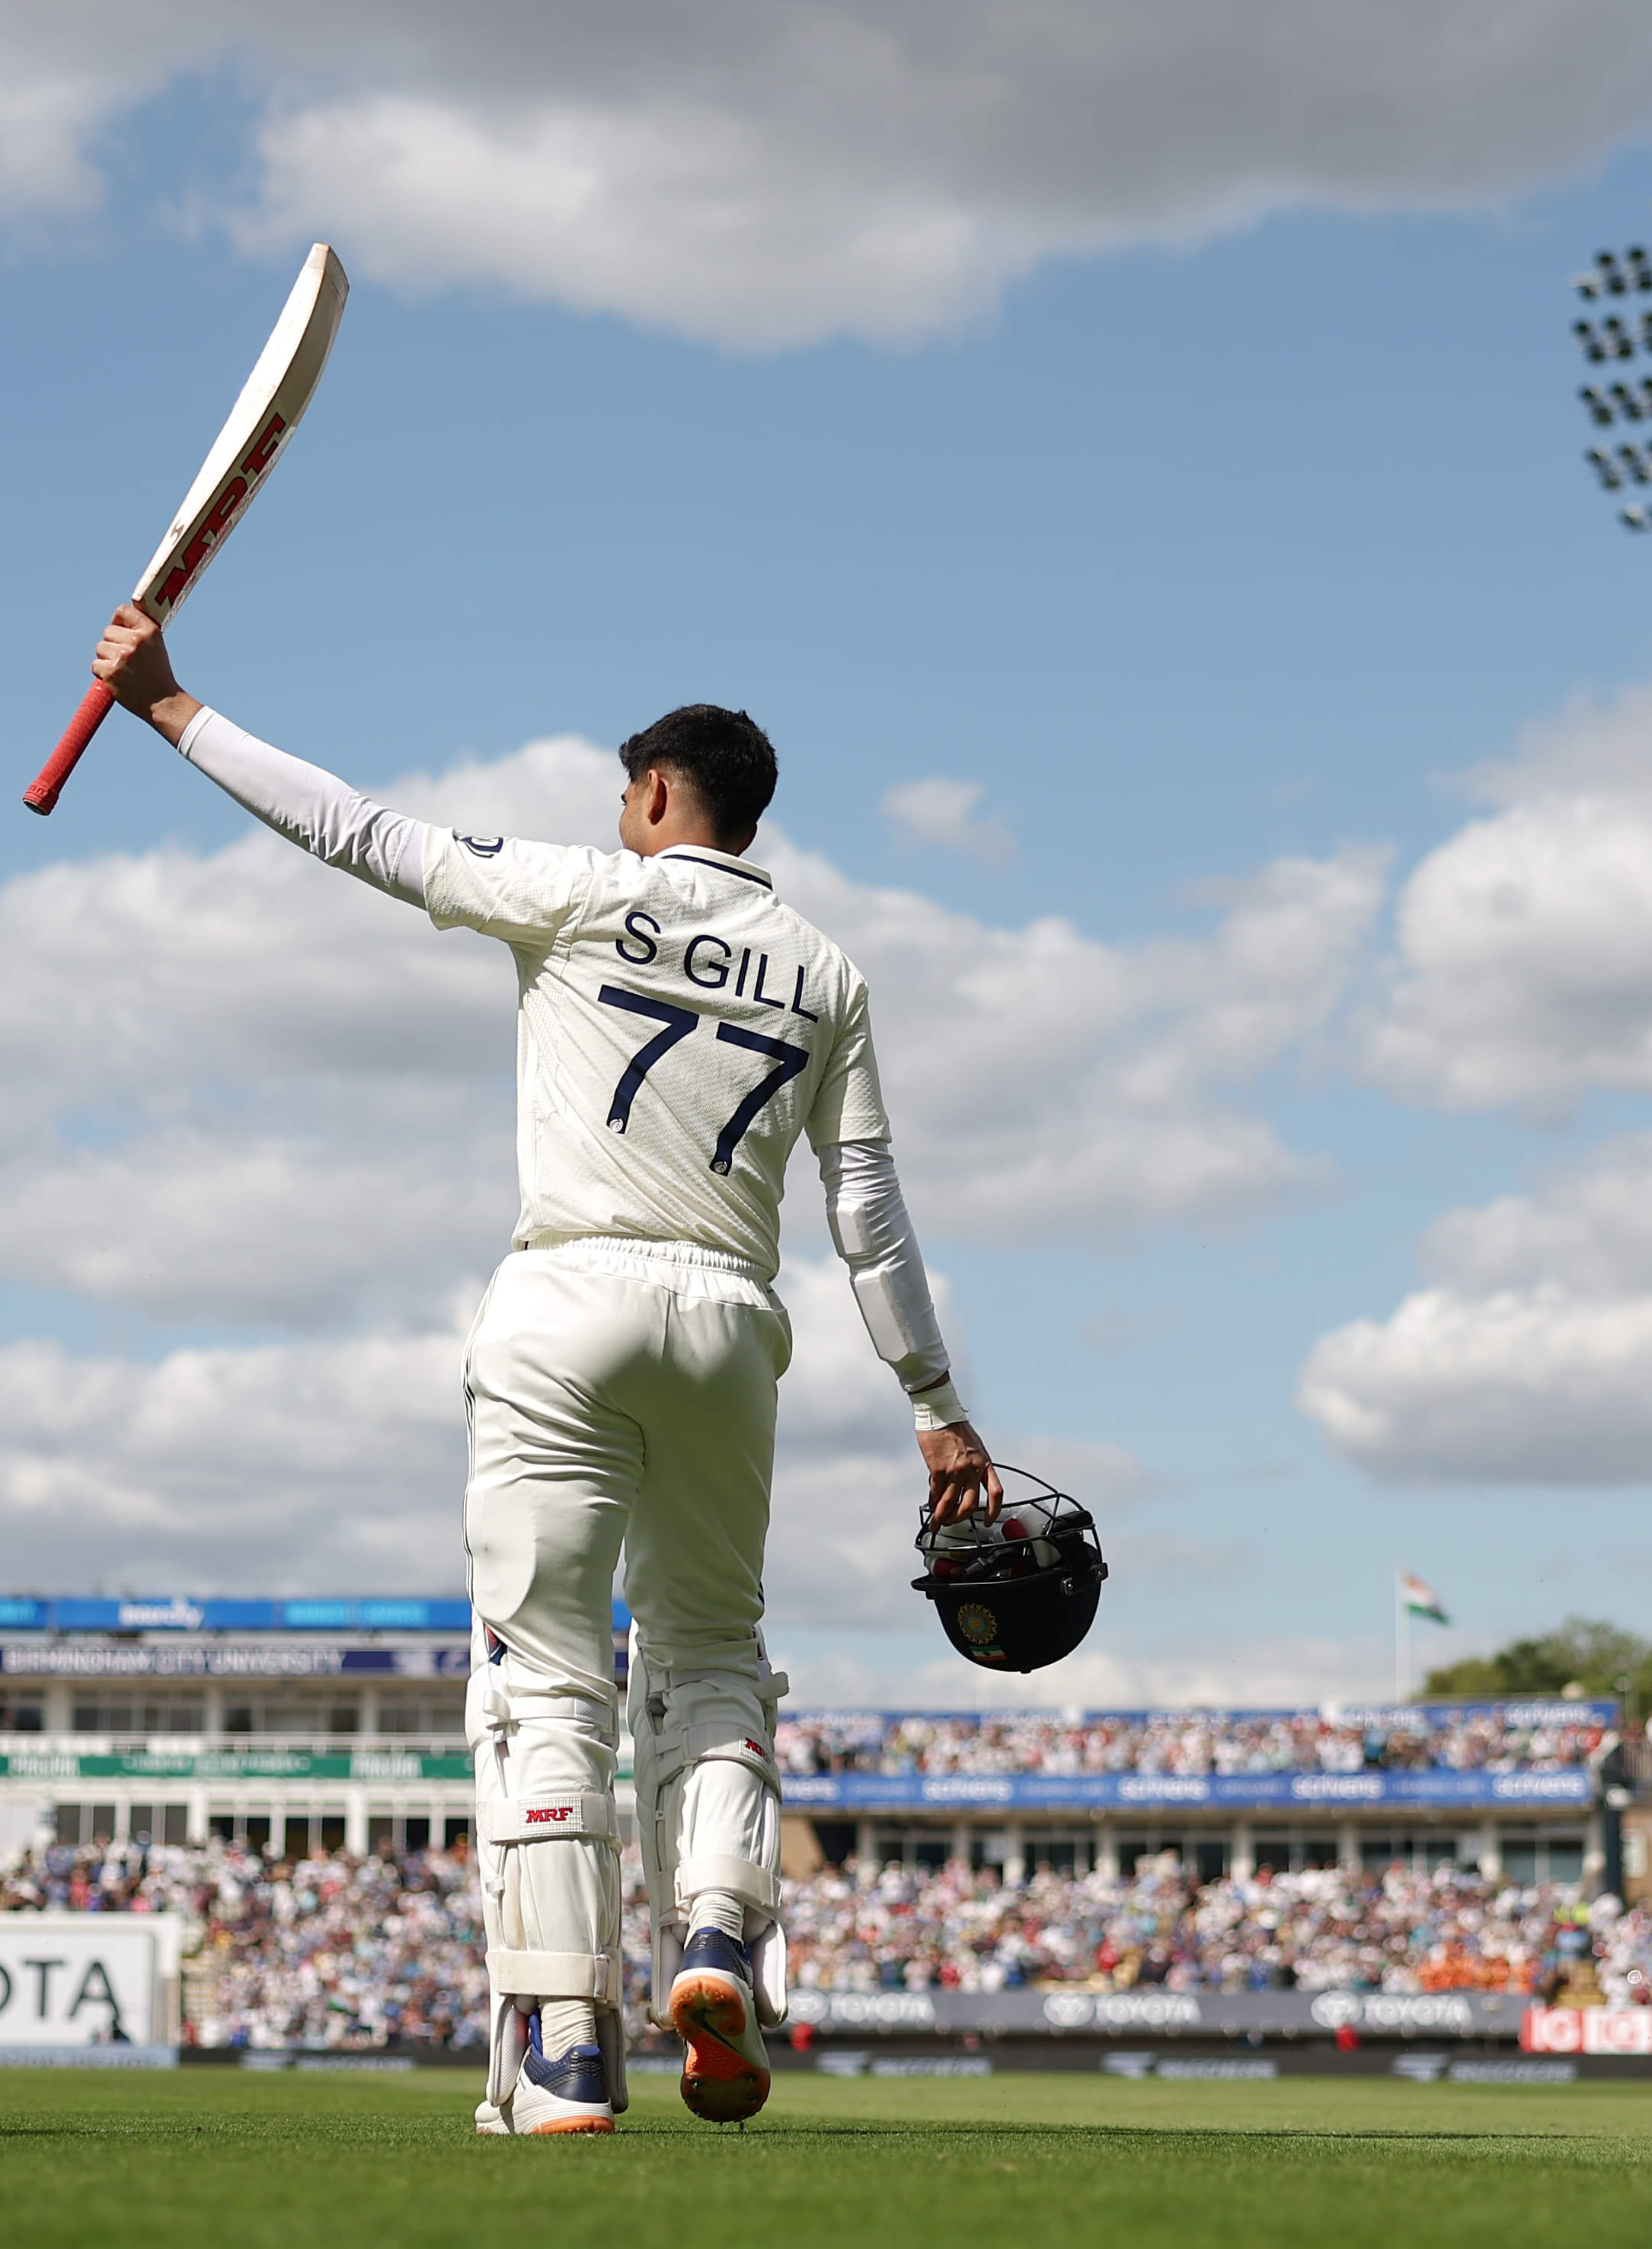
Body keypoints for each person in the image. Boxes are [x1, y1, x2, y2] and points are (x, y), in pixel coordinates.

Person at [90, 610, 998, 2136]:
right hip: (727, 1316)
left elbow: (358, 831)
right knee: (711, 1652)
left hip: (567, 1288)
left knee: (545, 1673)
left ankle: (569, 2043)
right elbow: (867, 1208)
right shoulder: (827, 969)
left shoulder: (583, 892)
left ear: (652, 796)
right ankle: (714, 1931)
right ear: (750, 816)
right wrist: (934, 1404)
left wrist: (167, 702)